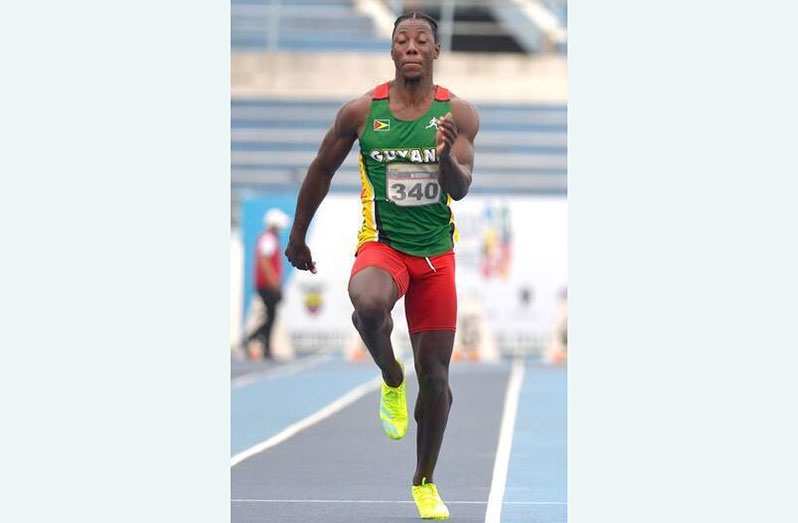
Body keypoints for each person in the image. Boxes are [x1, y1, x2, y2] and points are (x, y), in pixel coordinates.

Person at [285, 11, 479, 520]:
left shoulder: (457, 113)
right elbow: (322, 169)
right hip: (384, 245)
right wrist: (297, 234)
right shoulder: (360, 113)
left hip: (436, 255)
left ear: (436, 51)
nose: (411, 46)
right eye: (402, 40)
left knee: (436, 380)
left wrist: (441, 155)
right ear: (392, 50)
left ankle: (424, 481)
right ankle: (391, 378)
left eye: (422, 40)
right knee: (368, 304)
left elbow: (459, 188)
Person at [249, 208, 289, 360]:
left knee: (269, 315)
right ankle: (256, 340)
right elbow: (264, 262)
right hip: (267, 284)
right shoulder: (268, 239)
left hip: (266, 284)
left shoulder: (269, 238)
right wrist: (275, 283)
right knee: (270, 316)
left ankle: (260, 341)